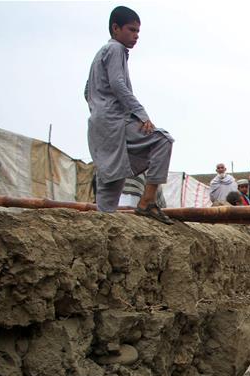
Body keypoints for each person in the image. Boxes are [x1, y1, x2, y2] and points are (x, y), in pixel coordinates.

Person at [85, 5, 174, 224]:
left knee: (111, 178)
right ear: (116, 28)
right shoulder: (115, 50)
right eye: (132, 30)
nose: (135, 36)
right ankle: (147, 202)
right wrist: (140, 114)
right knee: (163, 140)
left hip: (100, 125)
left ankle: (104, 225)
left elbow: (87, 91)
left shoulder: (100, 55)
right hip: (116, 121)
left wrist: (99, 112)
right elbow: (118, 84)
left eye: (138, 32)